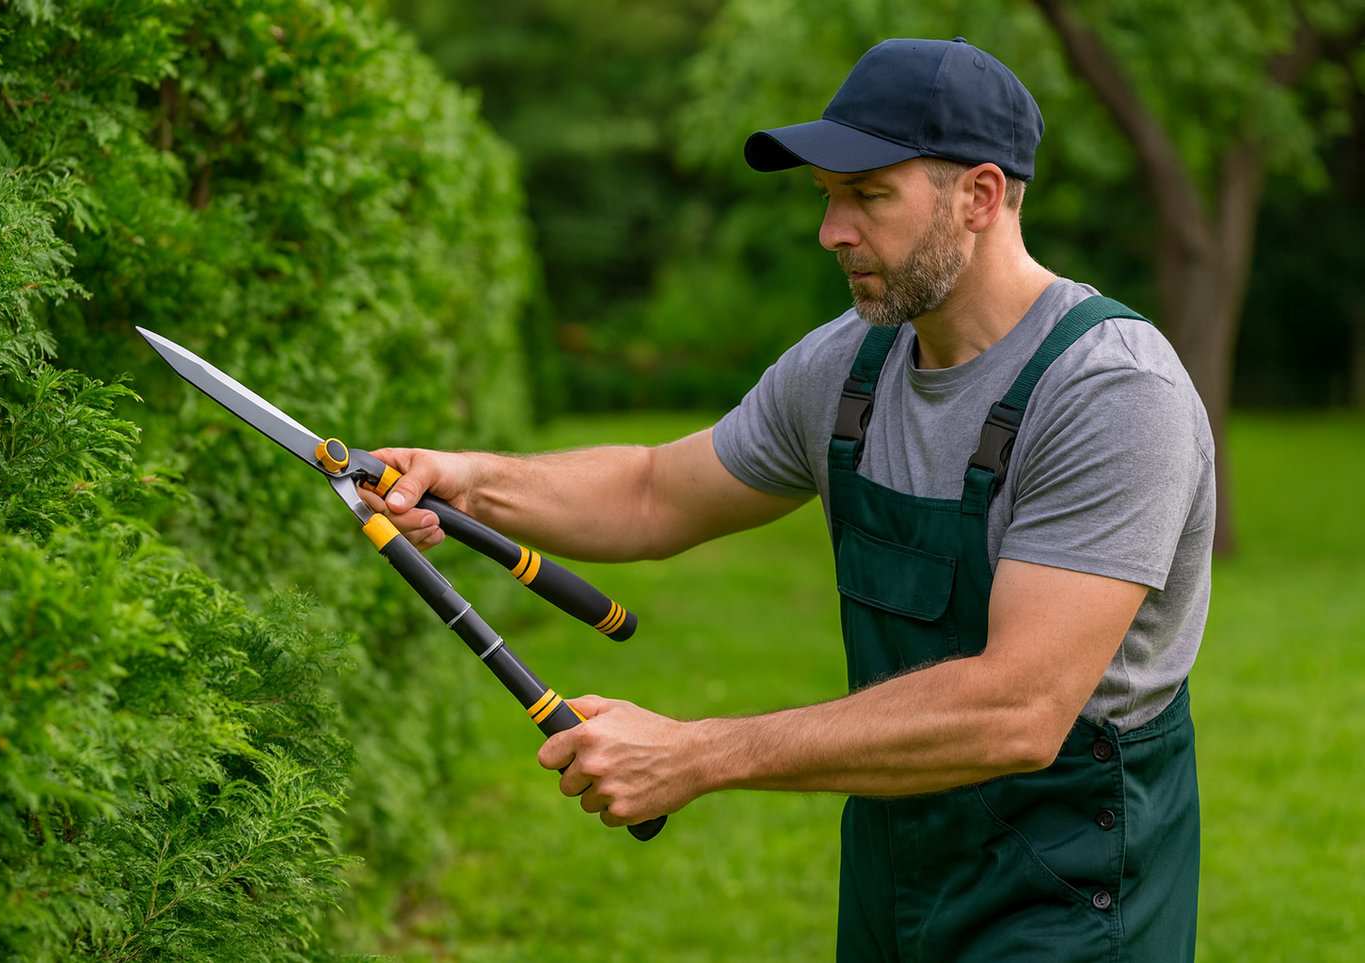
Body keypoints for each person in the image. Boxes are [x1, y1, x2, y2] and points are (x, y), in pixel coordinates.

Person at [361, 37, 1213, 962]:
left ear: (976, 196)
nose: (830, 231)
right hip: (897, 859)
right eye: (825, 197)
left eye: (867, 195)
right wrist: (465, 479)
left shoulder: (1110, 393)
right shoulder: (851, 363)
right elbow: (654, 492)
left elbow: (1016, 707)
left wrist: (696, 753)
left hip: (1070, 881)